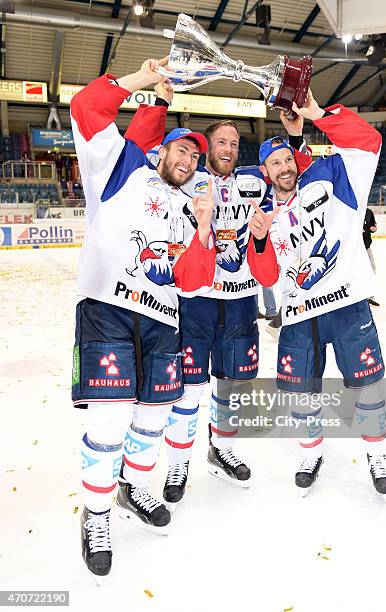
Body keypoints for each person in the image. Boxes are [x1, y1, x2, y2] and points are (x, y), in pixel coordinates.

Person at [71, 58, 216, 580]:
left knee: (153, 420)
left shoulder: (189, 206)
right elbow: (87, 106)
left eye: (196, 156)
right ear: (160, 151)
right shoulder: (120, 169)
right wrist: (143, 81)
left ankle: (133, 486)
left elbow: (195, 279)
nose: (190, 159)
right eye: (182, 148)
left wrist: (203, 228)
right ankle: (98, 514)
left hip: (163, 321)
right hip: (108, 311)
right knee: (108, 421)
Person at [247, 90, 386, 497]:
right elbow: (266, 274)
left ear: (297, 158)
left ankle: (377, 456)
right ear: (264, 171)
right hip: (298, 316)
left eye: (286, 159)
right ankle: (309, 453)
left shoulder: (331, 177)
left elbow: (368, 141)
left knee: (368, 387)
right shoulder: (263, 214)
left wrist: (315, 113)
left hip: (347, 306)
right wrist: (258, 240)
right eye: (273, 163)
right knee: (301, 393)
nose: (283, 167)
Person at [126, 98, 272, 507]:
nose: (228, 148)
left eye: (234, 144)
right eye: (221, 142)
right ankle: (178, 463)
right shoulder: (185, 181)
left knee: (229, 384)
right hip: (196, 302)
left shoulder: (255, 183)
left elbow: (288, 176)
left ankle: (220, 448)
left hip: (242, 301)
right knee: (188, 391)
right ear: (207, 149)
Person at [363, 207, 379, 306]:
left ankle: (369, 295)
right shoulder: (351, 210)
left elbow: (373, 227)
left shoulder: (368, 212)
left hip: (367, 247)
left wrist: (374, 229)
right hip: (354, 249)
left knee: (371, 269)